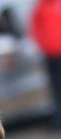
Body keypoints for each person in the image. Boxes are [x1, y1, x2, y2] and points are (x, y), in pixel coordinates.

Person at [30, 0, 61, 129]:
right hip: (50, 54)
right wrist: (44, 44)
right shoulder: (41, 7)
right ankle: (58, 119)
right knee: (56, 87)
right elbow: (34, 27)